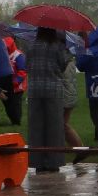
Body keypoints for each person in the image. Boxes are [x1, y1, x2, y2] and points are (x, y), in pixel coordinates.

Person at [25, 28, 73, 172]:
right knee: (55, 127)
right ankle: (53, 162)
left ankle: (37, 162)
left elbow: (26, 65)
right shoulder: (57, 46)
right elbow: (63, 65)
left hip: (34, 90)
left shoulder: (31, 45)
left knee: (36, 127)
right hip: (54, 90)